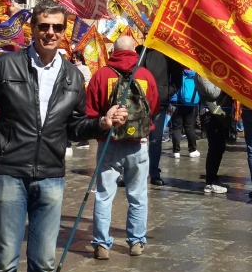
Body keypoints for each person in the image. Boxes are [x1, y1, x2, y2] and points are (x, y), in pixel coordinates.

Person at [0, 0, 127, 272]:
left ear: (64, 31)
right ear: (33, 28)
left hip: (51, 177)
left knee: (43, 264)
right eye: (44, 26)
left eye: (57, 27)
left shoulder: (73, 76)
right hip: (11, 172)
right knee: (4, 262)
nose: (50, 32)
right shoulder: (7, 66)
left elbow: (75, 126)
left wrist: (102, 123)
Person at [85, 36, 159, 259]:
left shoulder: (101, 74)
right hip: (138, 144)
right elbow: (153, 106)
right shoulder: (145, 75)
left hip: (109, 142)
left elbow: (90, 110)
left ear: (114, 51)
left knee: (104, 195)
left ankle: (101, 244)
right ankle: (136, 241)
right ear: (133, 51)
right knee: (137, 194)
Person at [136, 41, 182, 186]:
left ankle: (154, 172)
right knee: (136, 138)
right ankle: (134, 171)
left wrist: (166, 93)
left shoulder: (168, 52)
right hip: (139, 102)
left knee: (155, 140)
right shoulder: (140, 51)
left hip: (159, 101)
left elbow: (176, 78)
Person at [194, 75, 230, 194]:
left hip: (219, 113)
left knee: (220, 147)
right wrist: (225, 81)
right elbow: (213, 93)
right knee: (215, 147)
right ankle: (211, 181)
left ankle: (212, 179)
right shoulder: (201, 74)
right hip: (210, 114)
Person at [170, 69, 200, 159]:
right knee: (189, 127)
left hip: (176, 101)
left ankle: (176, 151)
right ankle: (192, 150)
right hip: (190, 101)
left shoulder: (176, 71)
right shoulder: (194, 73)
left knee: (176, 127)